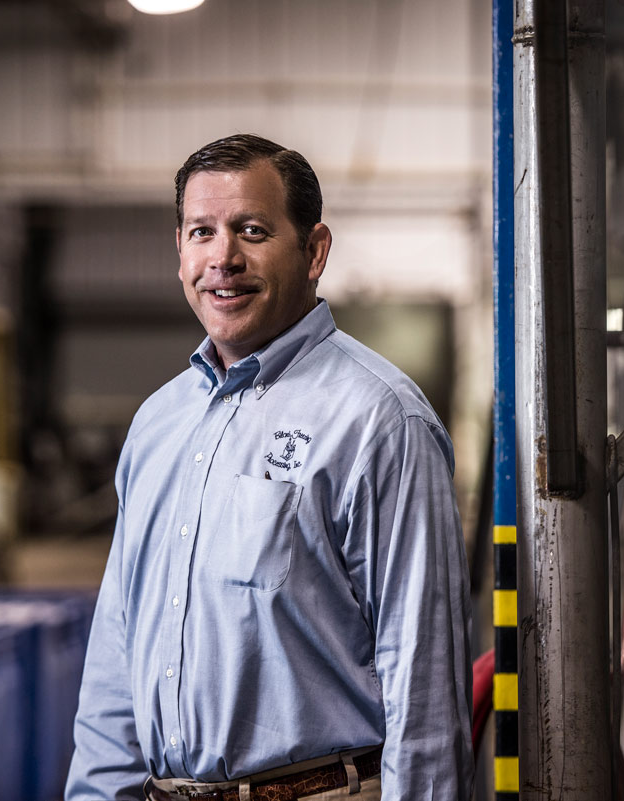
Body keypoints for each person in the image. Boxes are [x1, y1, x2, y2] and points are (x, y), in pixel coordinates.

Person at [65, 134, 473, 801]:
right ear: (180, 251)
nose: (223, 257)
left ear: (315, 252)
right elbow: (116, 652)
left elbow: (423, 681)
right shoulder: (158, 424)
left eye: (252, 231)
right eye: (202, 232)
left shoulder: (379, 420)